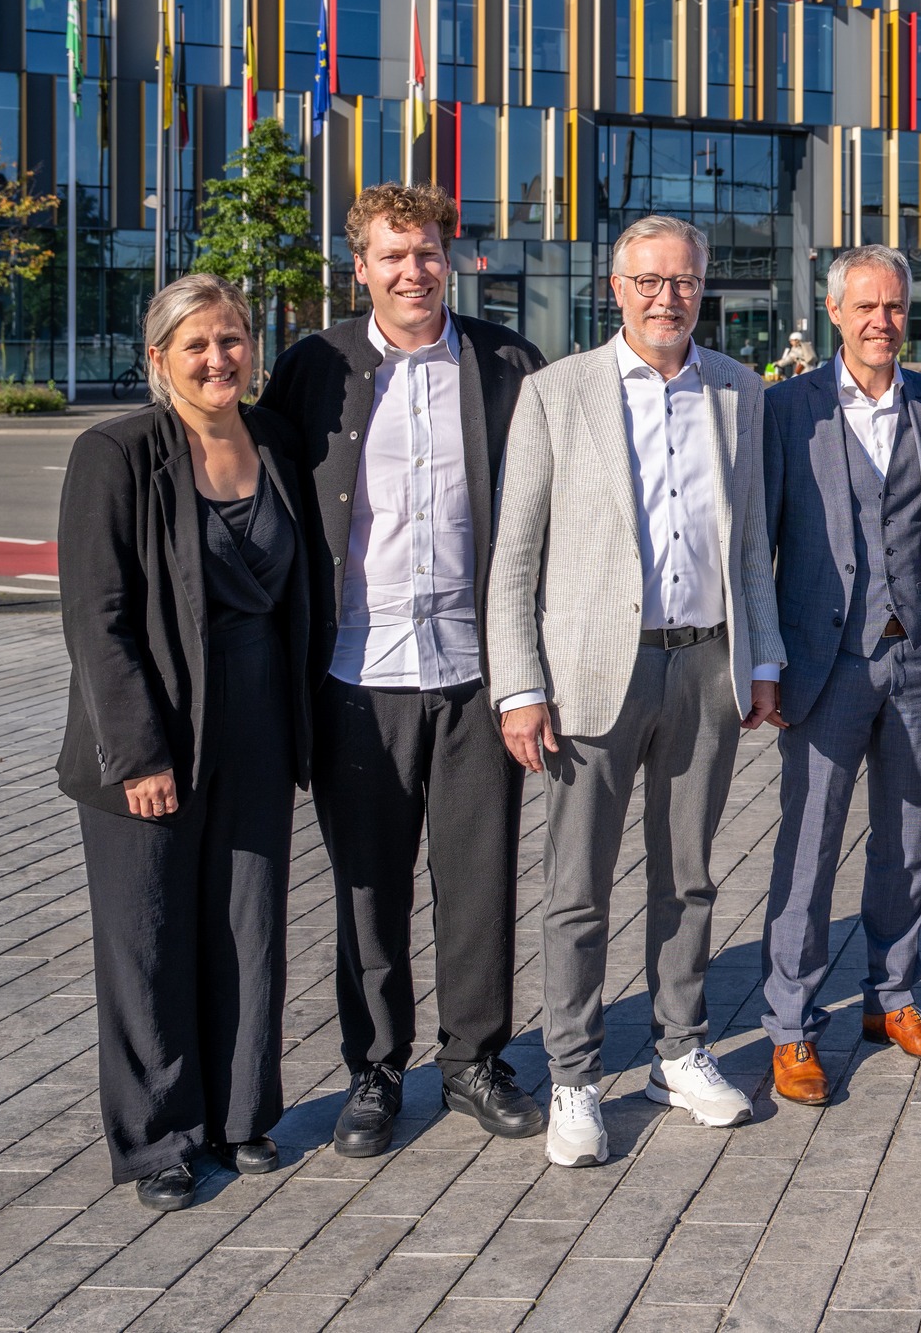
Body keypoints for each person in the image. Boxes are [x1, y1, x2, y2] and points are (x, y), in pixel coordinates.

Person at [487, 215, 786, 1164]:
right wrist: (518, 686)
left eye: (684, 281)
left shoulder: (737, 390)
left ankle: (680, 1050)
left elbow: (751, 541)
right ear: (615, 289)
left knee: (688, 874)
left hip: (706, 664)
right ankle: (573, 1073)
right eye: (649, 282)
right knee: (577, 887)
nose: (668, 297)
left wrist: (764, 659)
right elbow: (515, 555)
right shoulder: (557, 392)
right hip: (590, 673)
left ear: (704, 287)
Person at [259, 184, 548, 1159]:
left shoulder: (505, 362)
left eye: (425, 252)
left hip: (477, 677)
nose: (412, 271)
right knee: (368, 891)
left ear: (447, 258)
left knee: (479, 883)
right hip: (358, 678)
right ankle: (375, 1070)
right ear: (361, 269)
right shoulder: (315, 369)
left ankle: (474, 1062)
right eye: (392, 255)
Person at [57, 274, 312, 1210]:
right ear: (158, 357)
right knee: (149, 935)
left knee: (248, 924)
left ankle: (240, 1114)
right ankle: (158, 1136)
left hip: (258, 723)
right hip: (154, 730)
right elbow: (97, 618)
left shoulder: (276, 440)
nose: (218, 359)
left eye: (232, 338)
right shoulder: (116, 452)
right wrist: (138, 753)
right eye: (196, 344)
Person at [758, 246, 921, 1106]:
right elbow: (759, 542)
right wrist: (764, 661)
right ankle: (790, 1024)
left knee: (908, 839)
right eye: (865, 307)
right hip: (825, 663)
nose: (881, 322)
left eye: (893, 307)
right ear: (834, 313)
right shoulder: (787, 408)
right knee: (809, 845)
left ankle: (891, 999)